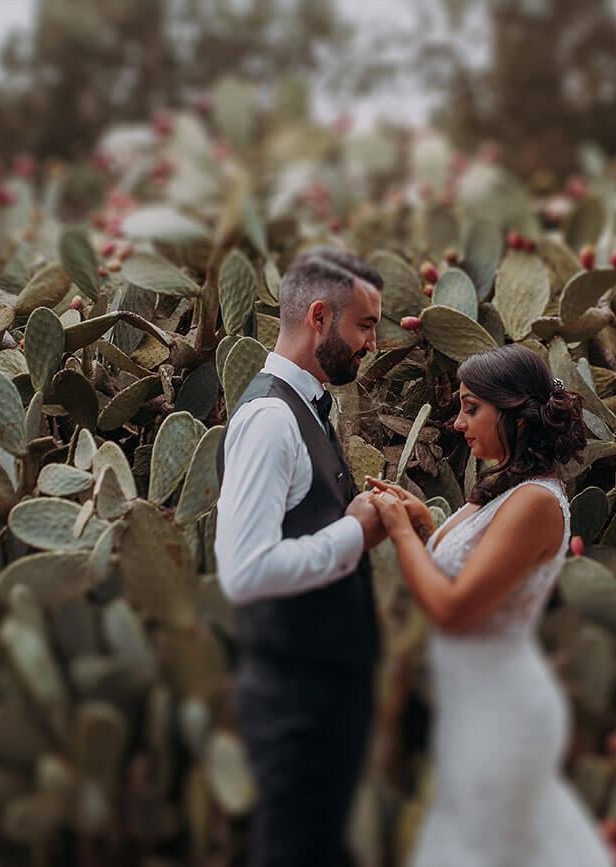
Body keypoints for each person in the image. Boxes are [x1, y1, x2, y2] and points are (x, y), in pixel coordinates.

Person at [366, 343, 614, 867]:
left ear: (517, 414)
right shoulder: (506, 491)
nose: (457, 422)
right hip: (474, 704)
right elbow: (472, 574)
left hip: (503, 712)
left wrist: (397, 533)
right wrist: (422, 524)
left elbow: (453, 610)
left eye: (471, 407)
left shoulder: (534, 503)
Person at [214, 248, 389, 867]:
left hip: (325, 688)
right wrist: (355, 533)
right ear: (319, 317)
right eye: (365, 325)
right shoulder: (269, 420)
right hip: (296, 696)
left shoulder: (308, 406)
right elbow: (245, 571)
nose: (374, 342)